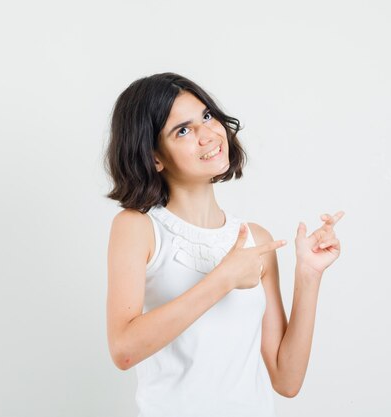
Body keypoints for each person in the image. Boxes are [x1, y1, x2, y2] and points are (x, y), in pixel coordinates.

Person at [104, 72, 343, 417]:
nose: (208, 134)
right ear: (155, 157)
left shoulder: (255, 240)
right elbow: (123, 350)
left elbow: (287, 380)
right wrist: (223, 279)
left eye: (206, 116)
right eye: (182, 130)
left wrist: (308, 275)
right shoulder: (137, 228)